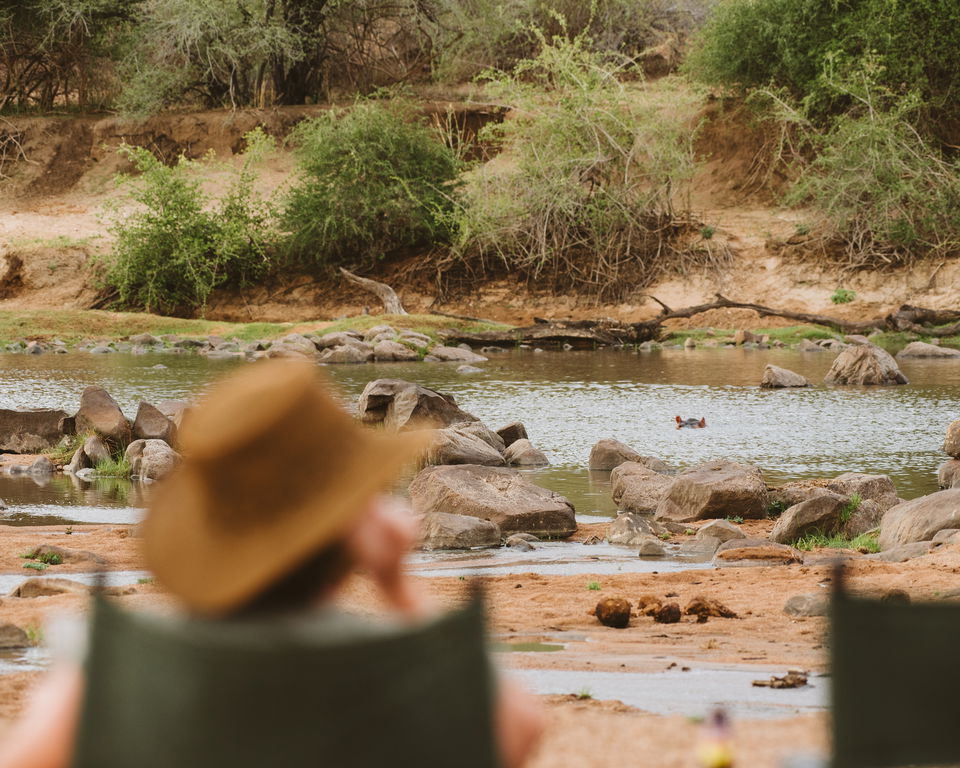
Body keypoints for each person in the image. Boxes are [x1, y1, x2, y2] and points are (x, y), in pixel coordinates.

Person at [0, 360, 543, 768]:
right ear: (353, 534)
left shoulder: (119, 674)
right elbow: (521, 732)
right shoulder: (399, 678)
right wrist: (398, 588)